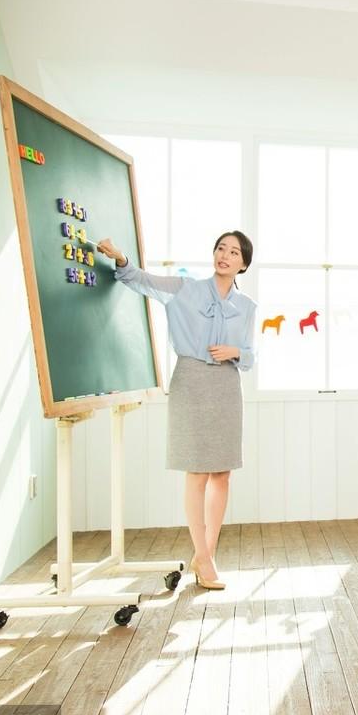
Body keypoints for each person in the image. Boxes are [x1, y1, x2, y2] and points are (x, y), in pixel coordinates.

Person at [96, 231, 257, 590]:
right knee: (197, 473)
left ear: (243, 264)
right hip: (191, 381)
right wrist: (121, 259)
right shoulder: (185, 289)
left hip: (227, 387)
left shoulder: (248, 308)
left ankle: (205, 556)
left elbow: (250, 355)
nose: (225, 256)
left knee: (222, 474)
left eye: (234, 252)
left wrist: (235, 353)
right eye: (220, 248)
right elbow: (141, 280)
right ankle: (206, 558)